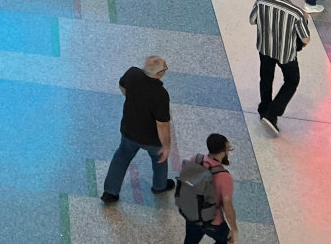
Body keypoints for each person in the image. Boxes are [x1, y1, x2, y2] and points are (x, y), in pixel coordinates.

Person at [100, 56, 172, 204]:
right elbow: (162, 124)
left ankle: (110, 192)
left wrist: (134, 100)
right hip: (152, 139)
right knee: (159, 160)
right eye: (165, 68)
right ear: (158, 74)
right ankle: (159, 186)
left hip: (129, 130)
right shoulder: (161, 94)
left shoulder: (132, 74)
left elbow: (122, 86)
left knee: (121, 157)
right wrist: (166, 146)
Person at [250, 0, 311, 134]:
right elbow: (305, 39)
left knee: (266, 78)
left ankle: (264, 108)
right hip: (286, 54)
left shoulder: (262, 1)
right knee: (292, 81)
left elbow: (252, 20)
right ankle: (273, 113)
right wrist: (305, 19)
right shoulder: (296, 13)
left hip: (265, 48)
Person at [178, 133, 236, 244]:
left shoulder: (196, 159)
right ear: (223, 152)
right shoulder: (224, 176)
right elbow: (227, 207)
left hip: (192, 214)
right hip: (212, 221)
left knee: (190, 240)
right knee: (225, 241)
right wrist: (234, 229)